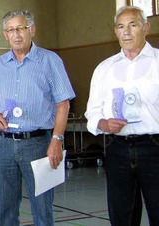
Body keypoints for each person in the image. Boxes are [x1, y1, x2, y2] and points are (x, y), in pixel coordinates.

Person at [0, 10, 75, 226]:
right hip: (3, 144)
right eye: (11, 29)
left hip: (38, 143)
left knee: (42, 207)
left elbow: (63, 103)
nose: (16, 34)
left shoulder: (51, 60)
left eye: (21, 28)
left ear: (32, 30)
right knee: (5, 208)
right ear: (5, 34)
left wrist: (57, 140)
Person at [84, 6, 159, 226]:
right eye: (120, 26)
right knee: (121, 217)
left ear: (146, 28)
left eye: (132, 25)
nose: (126, 31)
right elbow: (92, 111)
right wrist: (103, 123)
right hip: (118, 150)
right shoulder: (104, 69)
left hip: (154, 147)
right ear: (115, 32)